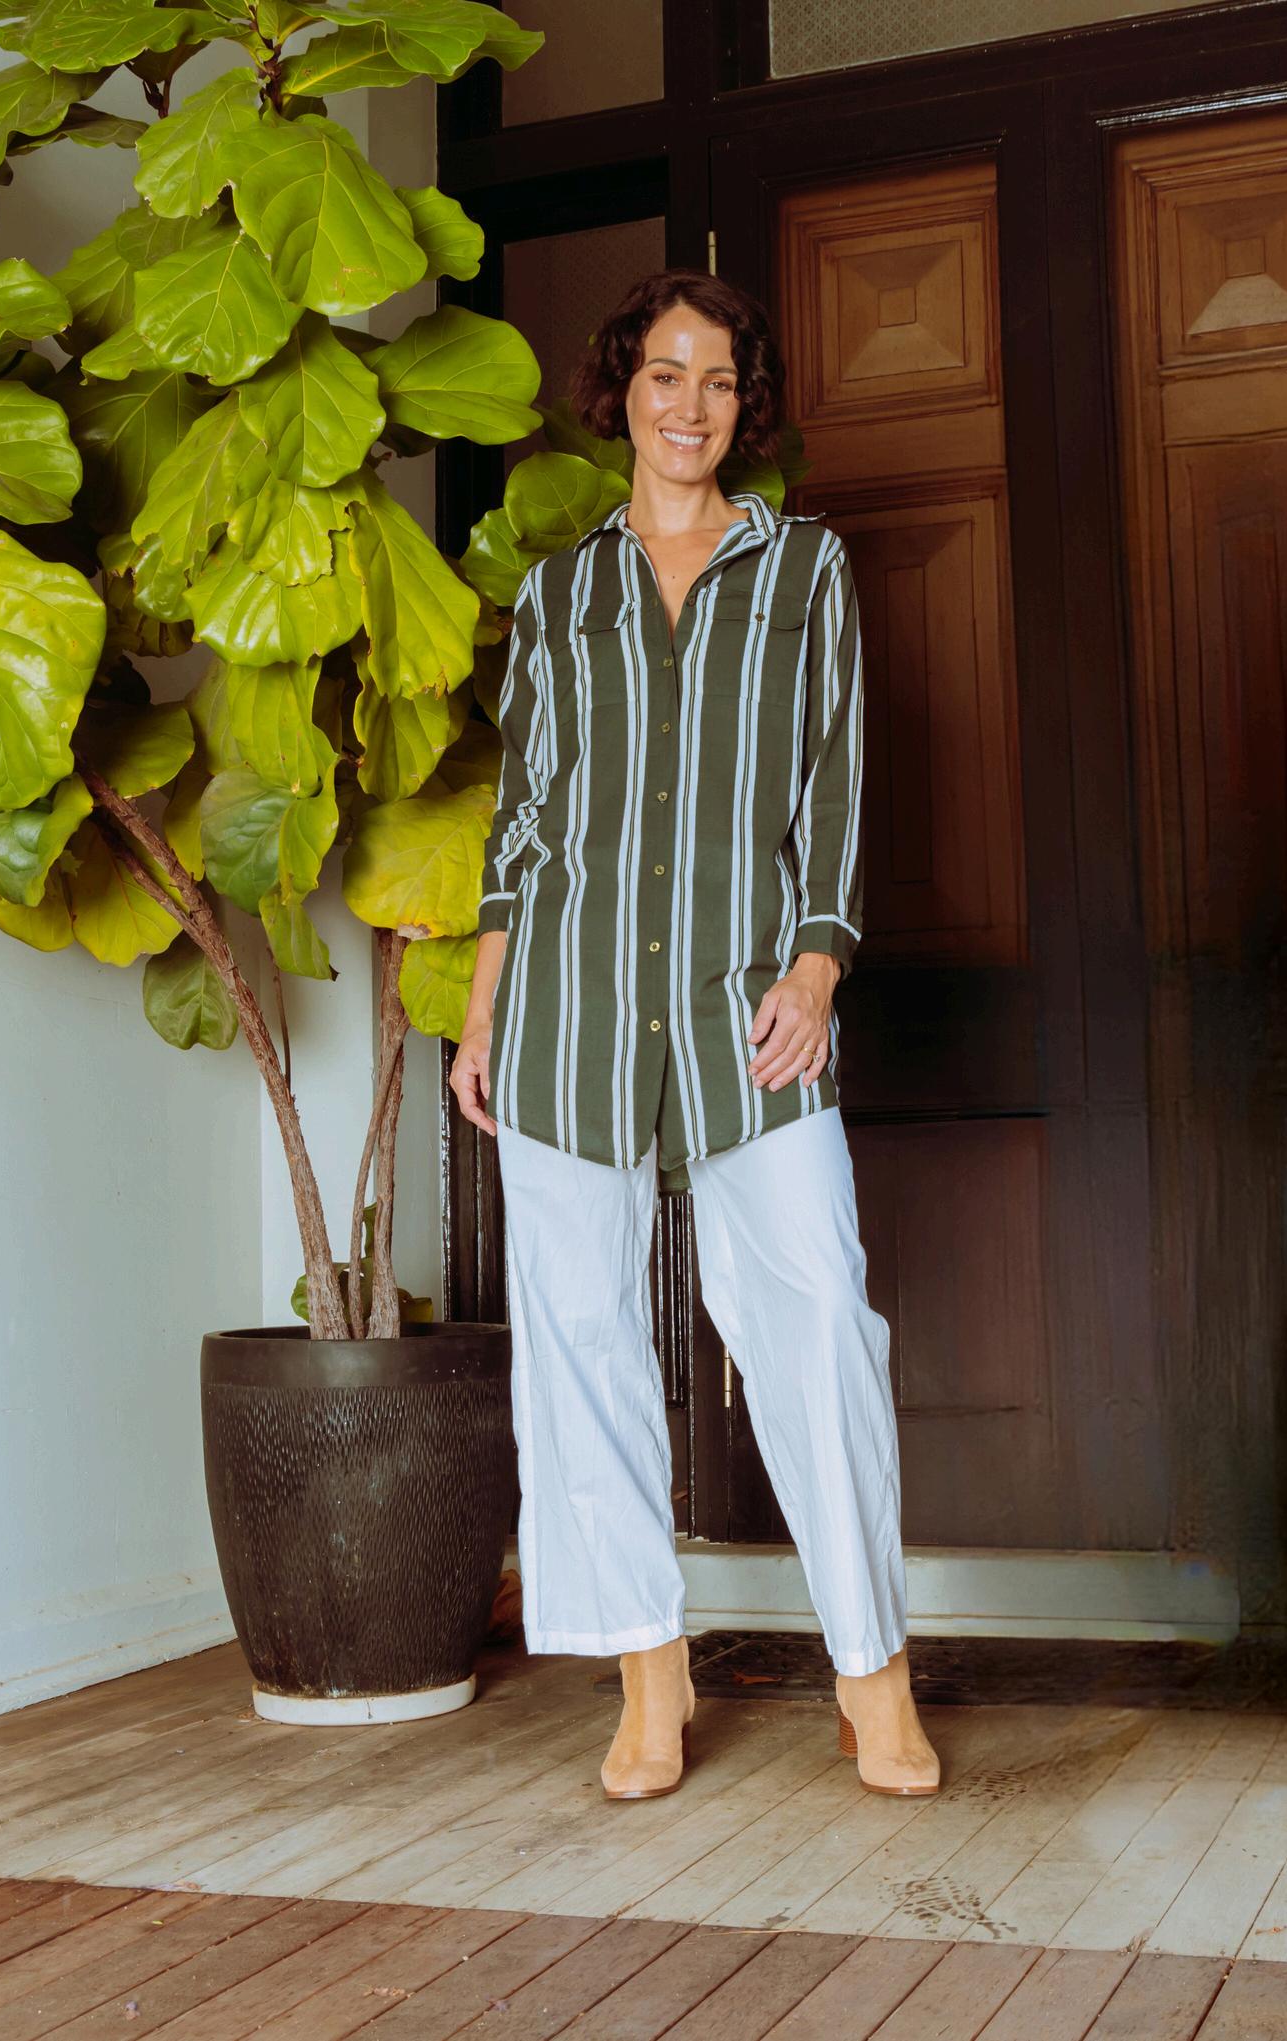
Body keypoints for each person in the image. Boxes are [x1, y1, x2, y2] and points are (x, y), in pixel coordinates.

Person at [448, 270, 942, 1801]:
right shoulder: (559, 594)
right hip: (569, 1007)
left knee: (819, 1321)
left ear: (745, 404)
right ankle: (646, 1679)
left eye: (718, 380)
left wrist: (818, 966)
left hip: (750, 1008)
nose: (688, 405)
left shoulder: (803, 568)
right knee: (578, 1339)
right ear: (621, 391)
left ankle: (871, 1676)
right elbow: (526, 819)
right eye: (664, 374)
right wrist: (484, 1004)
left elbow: (836, 781)